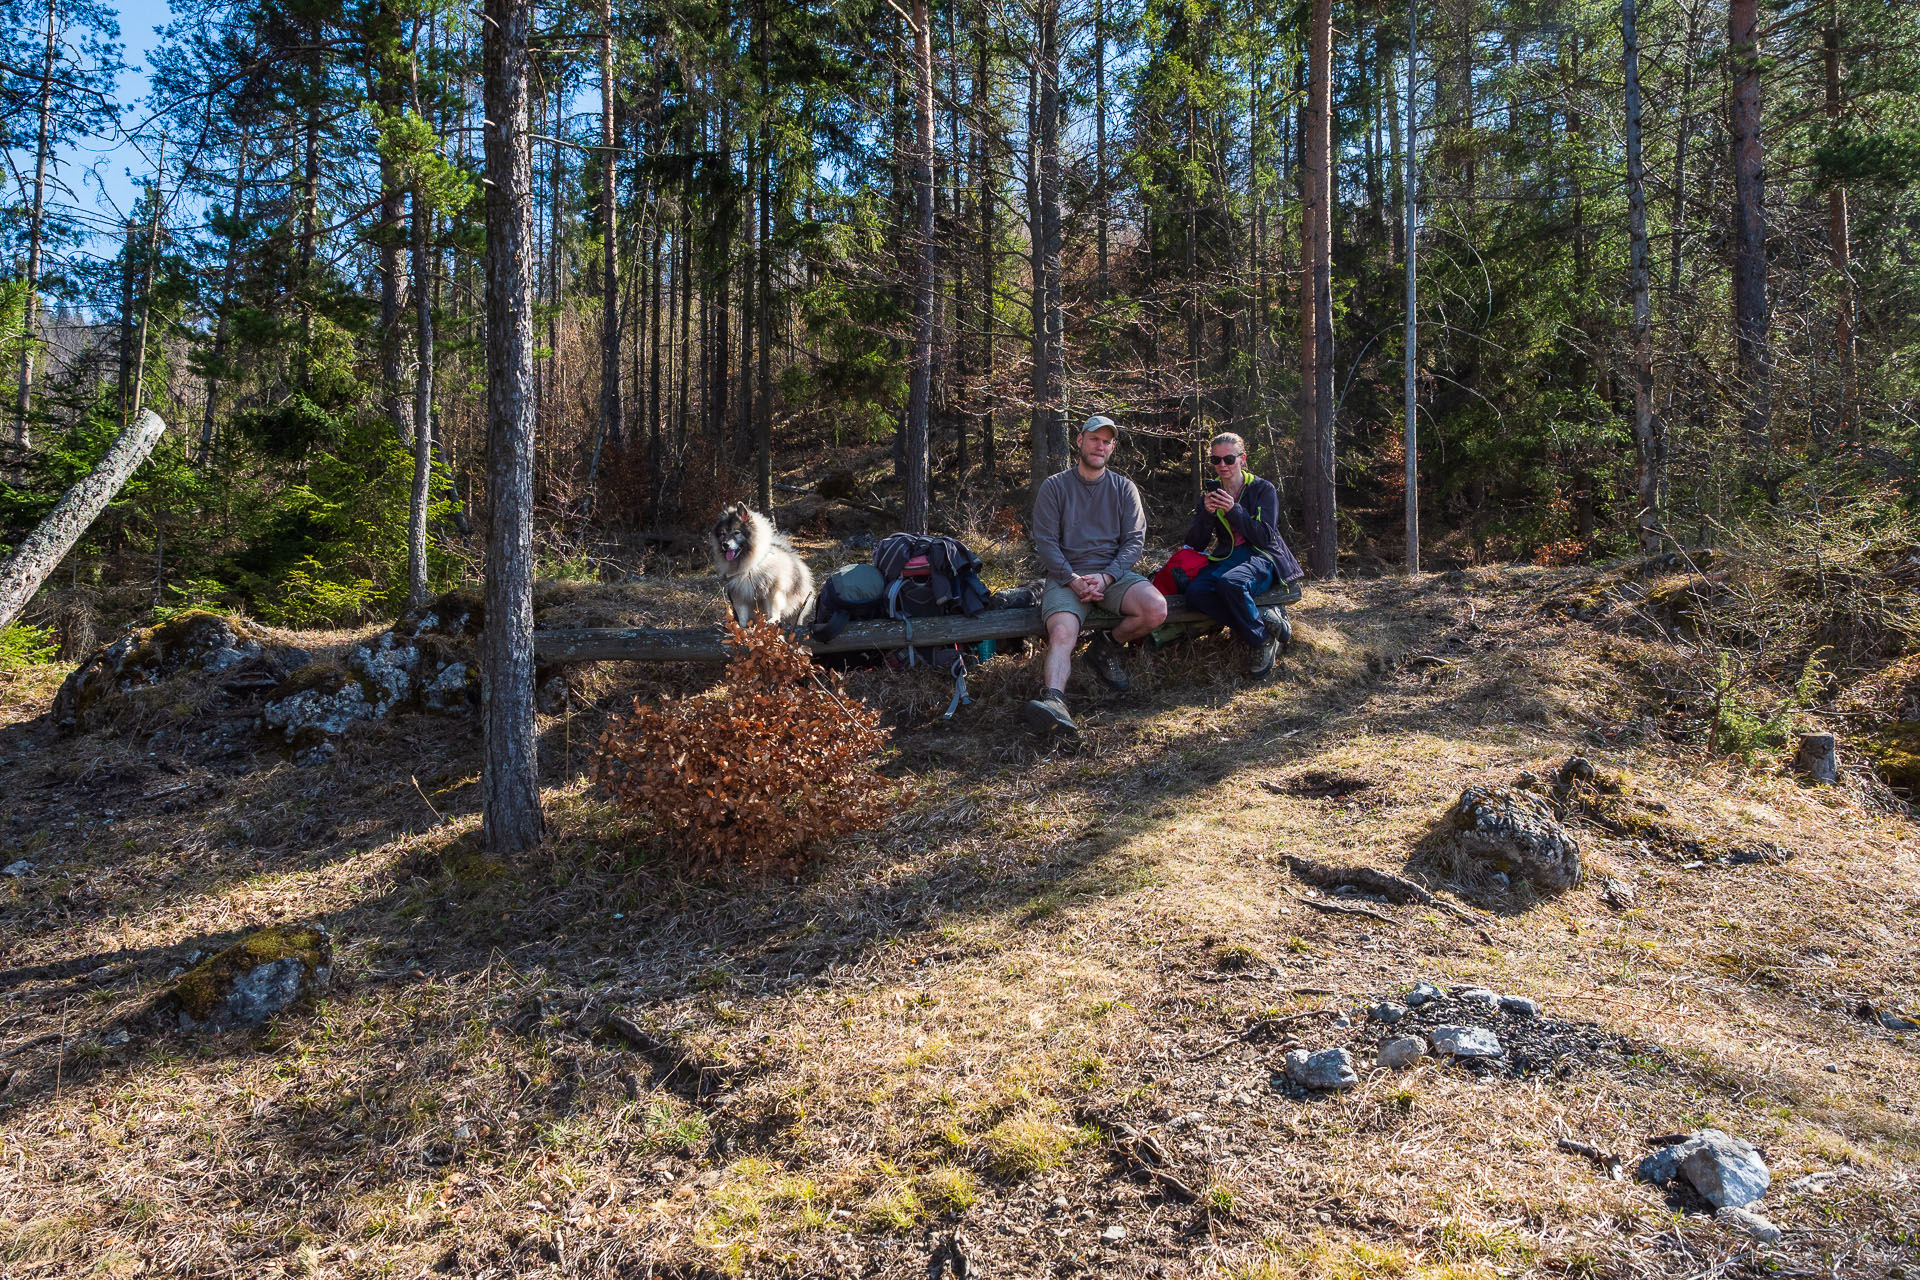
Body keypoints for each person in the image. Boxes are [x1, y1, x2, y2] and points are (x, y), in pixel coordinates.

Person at [1025, 415, 1169, 735]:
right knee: (1062, 633)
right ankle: (1054, 702)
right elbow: (1046, 543)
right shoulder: (1055, 487)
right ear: (1079, 441)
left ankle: (1105, 648)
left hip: (1113, 577)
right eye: (1094, 439)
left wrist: (1107, 577)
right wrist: (1073, 579)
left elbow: (1134, 543)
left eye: (1106, 442)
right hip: (1066, 577)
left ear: (1112, 447)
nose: (1099, 446)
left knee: (1156, 608)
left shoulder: (1124, 488)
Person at [1178, 432, 1305, 677]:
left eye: (1228, 459)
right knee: (1195, 593)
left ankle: (1260, 642)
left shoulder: (1262, 489)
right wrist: (1206, 513)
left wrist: (1234, 510)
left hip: (1264, 556)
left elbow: (1265, 537)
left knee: (1231, 584)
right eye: (1216, 460)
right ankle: (1261, 622)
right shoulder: (1209, 497)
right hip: (1230, 557)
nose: (1222, 466)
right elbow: (1195, 543)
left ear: (1242, 459)